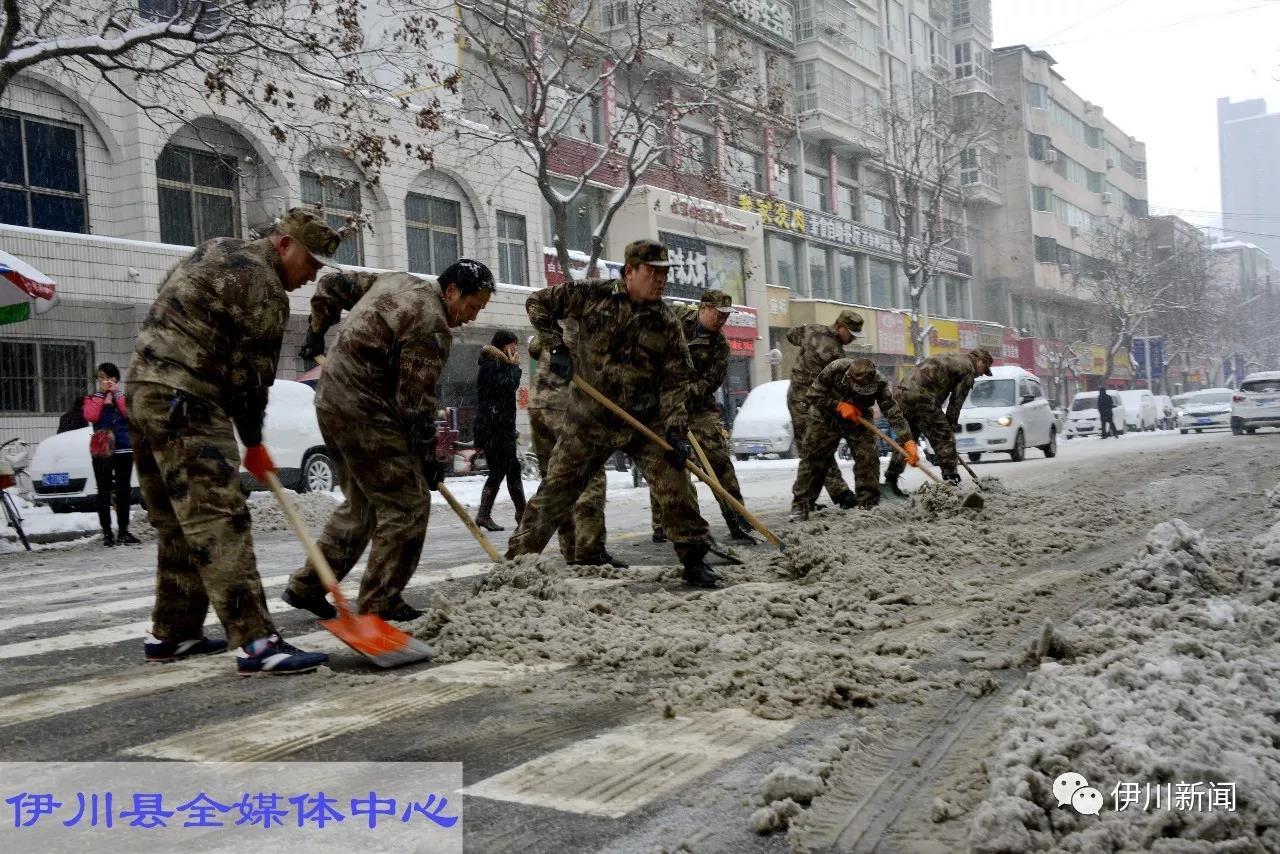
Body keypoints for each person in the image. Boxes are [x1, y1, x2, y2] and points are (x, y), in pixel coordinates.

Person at [127, 207, 337, 674]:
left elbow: (167, 298)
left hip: (143, 389)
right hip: (189, 399)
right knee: (220, 517)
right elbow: (250, 381)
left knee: (179, 522)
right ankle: (256, 641)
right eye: (310, 262)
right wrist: (255, 442)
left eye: (321, 268)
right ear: (284, 244)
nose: (311, 276)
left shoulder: (215, 248)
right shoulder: (264, 287)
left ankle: (173, 633)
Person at [282, 260, 495, 623]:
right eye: (472, 306)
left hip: (331, 401)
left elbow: (333, 284)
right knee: (407, 504)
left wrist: (317, 331)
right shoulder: (432, 327)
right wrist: (428, 458)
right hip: (364, 409)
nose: (471, 317)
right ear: (451, 291)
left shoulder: (396, 282)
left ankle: (309, 586)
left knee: (363, 505)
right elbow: (414, 403)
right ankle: (379, 602)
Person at [506, 239, 719, 588]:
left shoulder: (666, 321)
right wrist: (555, 345)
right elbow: (538, 302)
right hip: (591, 418)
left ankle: (695, 560)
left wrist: (675, 432)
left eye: (665, 273)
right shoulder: (593, 296)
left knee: (676, 483)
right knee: (556, 491)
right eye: (653, 272)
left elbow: (675, 382)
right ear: (630, 271)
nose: (661, 280)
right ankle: (517, 563)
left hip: (644, 421)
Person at [650, 289, 756, 544]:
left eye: (726, 316)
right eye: (719, 314)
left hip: (696, 406)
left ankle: (736, 517)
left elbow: (709, 383)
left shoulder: (719, 347)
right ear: (704, 308)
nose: (722, 320)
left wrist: (681, 395)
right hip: (658, 403)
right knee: (666, 460)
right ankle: (667, 523)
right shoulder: (674, 317)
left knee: (718, 458)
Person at [526, 333, 621, 567]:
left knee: (557, 479)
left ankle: (570, 548)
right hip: (567, 405)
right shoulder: (593, 322)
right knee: (589, 475)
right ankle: (589, 551)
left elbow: (534, 346)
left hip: (540, 403)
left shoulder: (555, 327)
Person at [792, 358, 914, 520]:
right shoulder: (835, 369)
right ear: (849, 378)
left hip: (859, 417)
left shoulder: (879, 382)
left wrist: (908, 440)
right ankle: (801, 505)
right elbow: (814, 394)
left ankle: (868, 504)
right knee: (813, 458)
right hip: (825, 416)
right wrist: (838, 405)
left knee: (868, 456)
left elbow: (891, 410)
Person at [883, 347, 993, 495]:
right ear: (979, 360)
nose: (981, 374)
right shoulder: (968, 369)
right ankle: (952, 483)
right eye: (984, 368)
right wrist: (949, 428)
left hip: (901, 393)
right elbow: (956, 403)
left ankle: (890, 482)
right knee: (944, 440)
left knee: (907, 441)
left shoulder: (951, 355)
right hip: (922, 398)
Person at [786, 311, 864, 510]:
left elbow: (791, 335)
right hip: (806, 401)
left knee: (817, 448)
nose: (853, 338)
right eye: (851, 333)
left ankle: (819, 497)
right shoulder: (835, 351)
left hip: (798, 396)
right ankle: (832, 495)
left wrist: (803, 359)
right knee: (814, 449)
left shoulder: (811, 329)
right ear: (840, 327)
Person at [473, 330, 526, 531]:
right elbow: (507, 386)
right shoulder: (490, 366)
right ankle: (519, 514)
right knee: (507, 469)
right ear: (503, 346)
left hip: (501, 427)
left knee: (505, 470)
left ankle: (487, 514)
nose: (515, 349)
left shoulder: (499, 365)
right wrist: (514, 367)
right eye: (512, 345)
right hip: (494, 428)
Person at [83, 362, 139, 546]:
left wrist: (117, 394)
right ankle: (107, 533)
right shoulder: (91, 398)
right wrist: (101, 396)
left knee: (123, 491)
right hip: (102, 450)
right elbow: (91, 416)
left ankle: (123, 531)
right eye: (101, 377)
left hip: (123, 448)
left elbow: (130, 414)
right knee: (103, 491)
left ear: (116, 379)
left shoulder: (123, 397)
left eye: (109, 378)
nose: (105, 381)